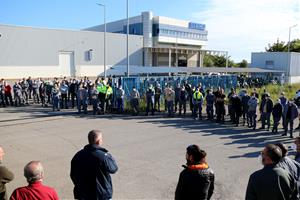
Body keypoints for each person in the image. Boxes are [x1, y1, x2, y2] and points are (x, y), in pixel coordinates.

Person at [70, 130, 118, 200]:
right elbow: (113, 169)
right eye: (101, 138)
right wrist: (110, 157)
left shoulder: (77, 155)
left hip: (83, 194)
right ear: (98, 141)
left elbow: (73, 175)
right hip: (101, 195)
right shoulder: (103, 156)